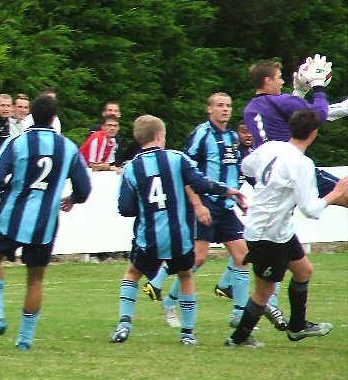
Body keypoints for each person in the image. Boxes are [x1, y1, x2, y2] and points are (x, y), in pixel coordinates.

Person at [141, 94, 283, 331]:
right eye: (220, 106)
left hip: (225, 206)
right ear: (209, 109)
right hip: (206, 203)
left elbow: (232, 170)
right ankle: (169, 301)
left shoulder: (231, 138)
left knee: (243, 257)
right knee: (198, 258)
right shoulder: (202, 134)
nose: (225, 110)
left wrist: (237, 198)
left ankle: (239, 314)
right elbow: (186, 171)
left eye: (228, 106)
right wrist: (197, 204)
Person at [109, 115, 245, 346]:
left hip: (148, 237)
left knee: (132, 273)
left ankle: (124, 325)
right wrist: (228, 191)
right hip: (179, 237)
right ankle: (188, 334)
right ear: (160, 136)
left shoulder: (131, 168)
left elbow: (125, 208)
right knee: (185, 275)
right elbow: (201, 183)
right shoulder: (176, 158)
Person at [226, 109, 348, 347]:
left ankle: (297, 327)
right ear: (314, 133)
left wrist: (267, 185)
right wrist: (336, 193)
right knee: (265, 290)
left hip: (278, 230)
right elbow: (311, 210)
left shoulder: (271, 147)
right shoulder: (301, 163)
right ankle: (238, 340)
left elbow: (247, 166)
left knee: (304, 271)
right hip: (266, 233)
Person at [0, 94, 92, 351]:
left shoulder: (17, 142)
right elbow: (85, 188)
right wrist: (73, 198)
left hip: (12, 218)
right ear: (54, 118)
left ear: (31, 114)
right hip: (45, 224)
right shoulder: (67, 147)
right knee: (35, 279)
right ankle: (25, 341)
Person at [244, 57, 347, 205]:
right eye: (279, 78)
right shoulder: (281, 101)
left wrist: (299, 92)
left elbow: (286, 122)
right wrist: (318, 84)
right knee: (343, 192)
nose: (282, 82)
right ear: (267, 80)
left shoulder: (250, 109)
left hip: (271, 173)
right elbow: (319, 114)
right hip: (293, 167)